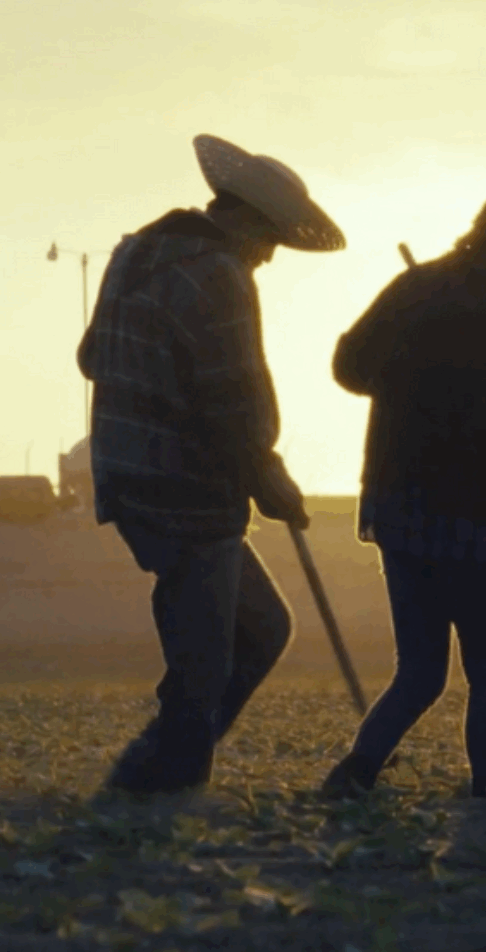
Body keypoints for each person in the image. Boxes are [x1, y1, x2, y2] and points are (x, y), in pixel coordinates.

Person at [79, 134, 345, 797]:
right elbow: (238, 397)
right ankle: (161, 790)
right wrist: (273, 481)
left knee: (259, 628)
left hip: (124, 473)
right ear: (250, 223)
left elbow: (90, 358)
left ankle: (151, 771)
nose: (267, 258)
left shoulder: (133, 252)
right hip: (186, 487)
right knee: (206, 661)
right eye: (272, 242)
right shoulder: (220, 272)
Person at [320, 183, 486, 800]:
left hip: (398, 509)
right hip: (475, 515)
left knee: (421, 672)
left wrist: (411, 359)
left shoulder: (422, 287)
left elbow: (350, 364)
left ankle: (354, 773)